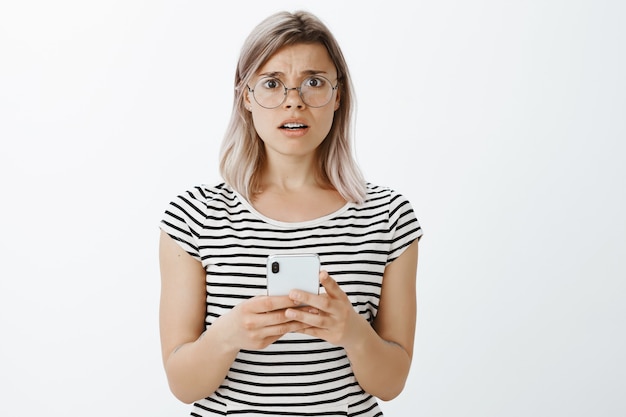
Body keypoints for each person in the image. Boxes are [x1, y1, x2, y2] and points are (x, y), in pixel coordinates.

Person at [159, 10, 423, 416]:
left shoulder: (388, 217)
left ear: (338, 96)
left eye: (314, 82)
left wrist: (352, 333)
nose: (294, 100)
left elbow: (391, 385)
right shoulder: (193, 216)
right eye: (272, 84)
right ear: (246, 96)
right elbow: (183, 385)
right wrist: (229, 335)